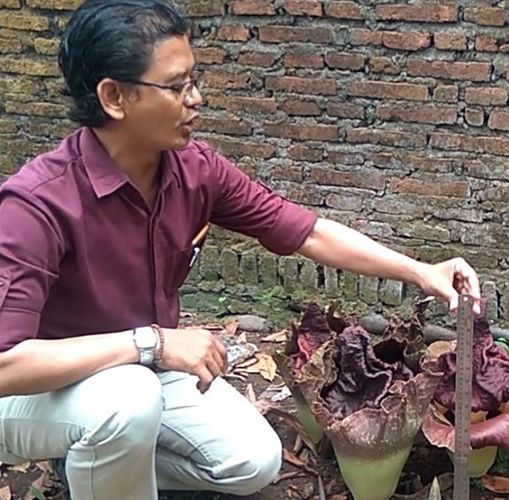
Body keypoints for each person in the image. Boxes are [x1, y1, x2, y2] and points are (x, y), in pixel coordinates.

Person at [0, 0, 481, 499]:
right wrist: (154, 343)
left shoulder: (193, 171)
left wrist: (421, 270)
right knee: (127, 400)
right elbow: (5, 364)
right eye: (176, 86)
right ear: (114, 97)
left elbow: (306, 231)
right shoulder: (37, 203)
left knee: (253, 461)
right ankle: (98, 455)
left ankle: (91, 462)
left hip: (136, 371)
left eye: (194, 81)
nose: (196, 99)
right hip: (38, 390)